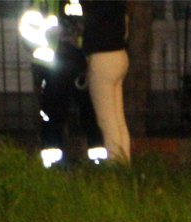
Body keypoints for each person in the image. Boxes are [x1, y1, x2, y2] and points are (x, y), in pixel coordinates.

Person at [19, 0, 106, 168]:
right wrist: (43, 41)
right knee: (53, 111)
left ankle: (97, 157)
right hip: (52, 62)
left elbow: (92, 24)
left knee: (88, 110)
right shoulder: (42, 2)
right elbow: (26, 29)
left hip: (76, 59)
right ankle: (53, 159)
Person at [82, 0, 130, 165]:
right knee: (118, 117)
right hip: (119, 54)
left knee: (106, 120)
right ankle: (124, 161)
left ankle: (116, 165)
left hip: (102, 57)